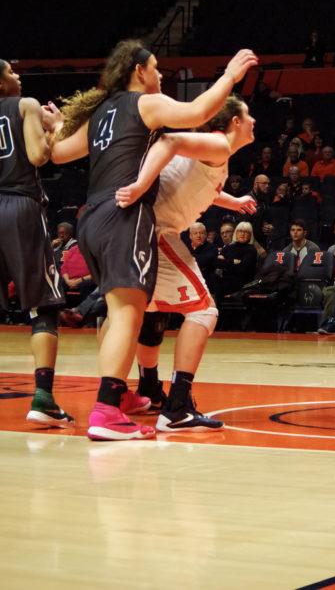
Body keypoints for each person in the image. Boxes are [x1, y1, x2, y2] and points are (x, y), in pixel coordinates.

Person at [47, 39, 257, 440]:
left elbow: (57, 154)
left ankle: (125, 394)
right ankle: (135, 407)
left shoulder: (102, 112)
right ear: (138, 70)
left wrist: (56, 126)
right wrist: (230, 75)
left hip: (91, 217)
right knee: (179, 311)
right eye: (156, 67)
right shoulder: (144, 104)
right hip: (130, 216)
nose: (160, 74)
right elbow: (195, 115)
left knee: (126, 313)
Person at [115, 95, 257, 432]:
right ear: (235, 121)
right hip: (157, 231)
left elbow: (199, 185)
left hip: (138, 229)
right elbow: (169, 140)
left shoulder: (212, 151)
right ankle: (177, 407)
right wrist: (139, 185)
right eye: (248, 115)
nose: (253, 121)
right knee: (204, 311)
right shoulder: (219, 144)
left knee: (146, 310)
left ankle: (141, 389)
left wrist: (234, 201)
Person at [0, 59, 72, 428]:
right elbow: (38, 156)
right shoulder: (24, 104)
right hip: (19, 206)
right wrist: (56, 129)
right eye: (11, 72)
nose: (18, 75)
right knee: (44, 305)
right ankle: (43, 398)